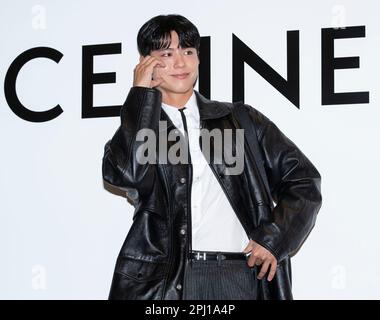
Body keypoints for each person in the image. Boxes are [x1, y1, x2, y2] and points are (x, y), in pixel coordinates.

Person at [102, 14, 322, 300]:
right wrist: (141, 96)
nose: (180, 62)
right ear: (147, 63)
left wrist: (273, 238)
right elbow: (128, 175)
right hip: (166, 283)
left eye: (188, 52)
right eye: (166, 53)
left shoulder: (239, 119)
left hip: (238, 275)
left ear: (198, 59)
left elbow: (303, 180)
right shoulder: (141, 126)